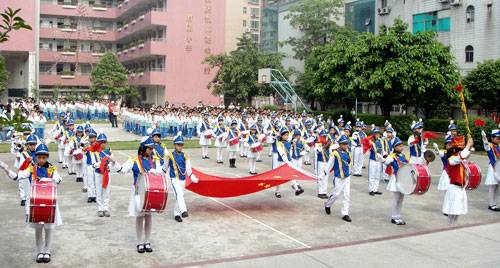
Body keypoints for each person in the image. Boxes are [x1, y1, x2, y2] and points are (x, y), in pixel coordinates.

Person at [9, 143, 63, 263]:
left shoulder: (51, 168)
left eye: (44, 157)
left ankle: (47, 251)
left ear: (47, 157)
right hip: (36, 203)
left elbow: (59, 179)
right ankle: (40, 251)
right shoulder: (31, 168)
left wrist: (54, 178)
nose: (41, 160)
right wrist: (7, 170)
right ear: (36, 157)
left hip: (49, 203)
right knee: (38, 229)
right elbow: (18, 176)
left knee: (48, 228)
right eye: (39, 157)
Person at [115, 137, 163, 253]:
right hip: (138, 192)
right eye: (149, 148)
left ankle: (147, 241)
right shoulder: (134, 160)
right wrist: (114, 163)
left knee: (149, 217)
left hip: (150, 192)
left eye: (152, 148)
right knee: (140, 217)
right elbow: (122, 170)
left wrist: (156, 172)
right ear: (143, 148)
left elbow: (160, 172)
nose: (151, 150)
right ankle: (139, 242)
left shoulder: (154, 159)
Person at [165, 133, 199, 222]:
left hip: (182, 180)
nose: (180, 146)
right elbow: (164, 169)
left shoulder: (185, 156)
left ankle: (176, 214)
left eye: (181, 145)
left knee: (179, 196)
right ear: (174, 145)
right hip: (174, 179)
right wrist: (156, 173)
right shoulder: (170, 155)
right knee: (179, 194)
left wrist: (192, 177)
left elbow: (188, 169)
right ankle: (183, 210)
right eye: (178, 145)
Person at [443, 136, 473, 226]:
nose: (462, 150)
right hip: (454, 188)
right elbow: (461, 156)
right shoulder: (452, 159)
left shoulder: (460, 160)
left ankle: (453, 226)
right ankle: (449, 227)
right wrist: (468, 146)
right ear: (455, 150)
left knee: (457, 211)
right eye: (461, 148)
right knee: (453, 211)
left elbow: (464, 156)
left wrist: (469, 147)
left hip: (460, 188)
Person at [380, 137, 409, 225]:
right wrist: (383, 159)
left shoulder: (403, 156)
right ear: (395, 147)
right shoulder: (392, 156)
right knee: (396, 199)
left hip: (403, 179)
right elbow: (386, 161)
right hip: (396, 178)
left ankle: (398, 215)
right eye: (399, 146)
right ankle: (394, 216)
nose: (401, 147)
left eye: (402, 146)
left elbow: (409, 164)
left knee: (401, 199)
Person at [324, 135, 352, 222]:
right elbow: (329, 164)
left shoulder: (348, 153)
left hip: (347, 178)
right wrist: (325, 172)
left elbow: (349, 164)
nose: (345, 145)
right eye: (343, 144)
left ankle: (345, 213)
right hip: (338, 178)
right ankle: (328, 204)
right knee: (336, 194)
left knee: (346, 195)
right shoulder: (335, 153)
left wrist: (351, 171)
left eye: (347, 144)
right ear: (339, 144)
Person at [271, 127, 304, 197]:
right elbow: (282, 154)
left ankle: (297, 189)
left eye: (287, 135)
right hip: (281, 163)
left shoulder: (289, 142)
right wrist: (287, 161)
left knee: (291, 175)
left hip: (288, 162)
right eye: (285, 135)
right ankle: (277, 191)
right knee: (279, 178)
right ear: (281, 135)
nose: (286, 136)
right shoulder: (279, 144)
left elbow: (291, 150)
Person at [90, 133, 115, 217]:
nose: (103, 144)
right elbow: (93, 165)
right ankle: (100, 208)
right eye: (101, 142)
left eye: (104, 142)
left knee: (107, 191)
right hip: (98, 174)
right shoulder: (94, 152)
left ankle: (106, 208)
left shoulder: (109, 151)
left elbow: (113, 162)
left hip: (107, 173)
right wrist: (102, 163)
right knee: (99, 191)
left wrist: (109, 165)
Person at [481, 128, 500, 212]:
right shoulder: (489, 146)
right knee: (492, 186)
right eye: (497, 138)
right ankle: (491, 204)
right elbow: (485, 144)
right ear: (492, 138)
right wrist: (484, 137)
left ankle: (494, 204)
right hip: (493, 168)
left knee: (497, 187)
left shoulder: (499, 146)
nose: (499, 139)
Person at [368, 127, 383, 196]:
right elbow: (367, 147)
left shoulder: (381, 141)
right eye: (376, 133)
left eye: (378, 133)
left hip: (379, 161)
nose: (377, 134)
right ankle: (371, 190)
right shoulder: (370, 141)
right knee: (372, 175)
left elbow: (382, 150)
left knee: (377, 176)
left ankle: (375, 189)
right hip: (373, 160)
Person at [84, 128, 98, 203]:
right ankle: (90, 195)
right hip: (89, 163)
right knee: (90, 181)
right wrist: (85, 147)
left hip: (96, 164)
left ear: (96, 137)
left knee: (96, 180)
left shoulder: (98, 145)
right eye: (90, 137)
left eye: (93, 137)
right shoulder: (87, 144)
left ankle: (95, 195)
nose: (92, 139)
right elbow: (84, 152)